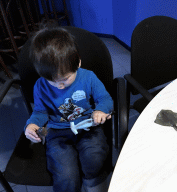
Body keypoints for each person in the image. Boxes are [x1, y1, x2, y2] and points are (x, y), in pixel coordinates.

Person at [24, 26, 113, 192]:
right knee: (64, 174)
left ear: (78, 62)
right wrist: (32, 124)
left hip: (87, 126)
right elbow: (40, 111)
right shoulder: (40, 86)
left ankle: (93, 183)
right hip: (58, 132)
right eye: (52, 81)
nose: (59, 85)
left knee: (94, 159)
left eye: (65, 79)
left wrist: (101, 110)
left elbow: (105, 99)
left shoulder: (88, 77)